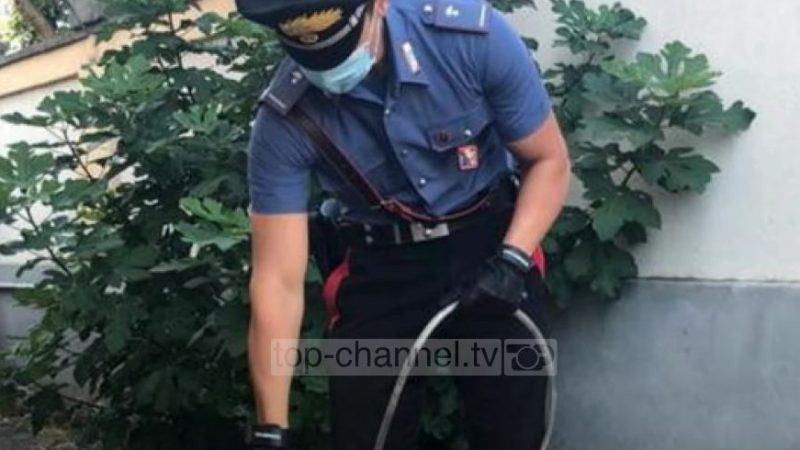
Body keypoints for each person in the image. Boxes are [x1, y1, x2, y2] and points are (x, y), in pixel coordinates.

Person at [238, 0, 571, 447]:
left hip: (492, 246)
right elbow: (277, 281)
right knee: (365, 432)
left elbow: (548, 161)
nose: (329, 70)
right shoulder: (285, 120)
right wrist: (270, 430)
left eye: (340, 49)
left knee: (514, 428)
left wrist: (513, 259)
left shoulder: (470, 40)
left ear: (378, 5)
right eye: (311, 58)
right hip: (382, 269)